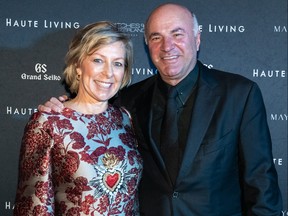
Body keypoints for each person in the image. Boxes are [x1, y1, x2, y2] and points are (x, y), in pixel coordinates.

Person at [38, 3, 283, 216]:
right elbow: (86, 114)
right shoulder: (127, 101)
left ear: (197, 39)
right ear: (147, 44)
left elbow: (260, 184)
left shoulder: (239, 94)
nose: (167, 46)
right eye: (156, 37)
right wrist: (62, 108)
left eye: (177, 34)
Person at [14, 21, 143, 216]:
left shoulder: (125, 119)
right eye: (98, 60)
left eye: (117, 63)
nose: (108, 73)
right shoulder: (48, 122)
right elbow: (33, 207)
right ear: (78, 65)